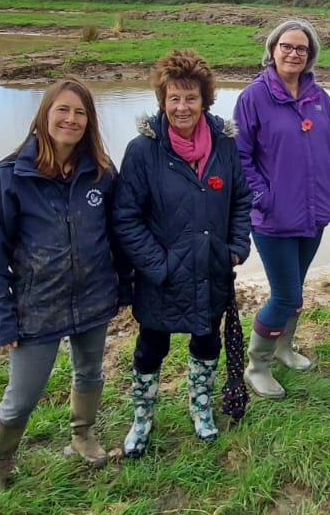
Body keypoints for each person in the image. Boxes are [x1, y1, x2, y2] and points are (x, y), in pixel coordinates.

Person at [0, 78, 124, 503]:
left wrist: (124, 288)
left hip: (94, 298)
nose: (71, 120)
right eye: (63, 110)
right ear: (44, 115)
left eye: (80, 113)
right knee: (21, 398)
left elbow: (116, 237)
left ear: (89, 122)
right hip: (36, 307)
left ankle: (83, 437)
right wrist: (1, 319)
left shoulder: (101, 173)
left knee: (90, 372)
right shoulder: (10, 177)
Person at [113, 50, 252, 456]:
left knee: (207, 343)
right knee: (150, 348)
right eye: (173, 98)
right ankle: (141, 419)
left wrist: (236, 250)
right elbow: (126, 218)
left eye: (190, 98)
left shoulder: (226, 145)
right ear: (162, 99)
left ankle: (202, 409)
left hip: (212, 270)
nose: (182, 107)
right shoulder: (143, 150)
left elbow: (242, 200)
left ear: (205, 99)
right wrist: (158, 265)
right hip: (161, 277)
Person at [233, 19, 330, 400]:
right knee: (284, 294)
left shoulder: (321, 97)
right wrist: (263, 195)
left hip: (314, 213)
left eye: (301, 48)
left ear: (310, 54)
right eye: (287, 46)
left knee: (296, 291)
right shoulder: (253, 97)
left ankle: (284, 348)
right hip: (273, 217)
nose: (294, 53)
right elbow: (240, 156)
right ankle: (257, 365)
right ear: (273, 49)